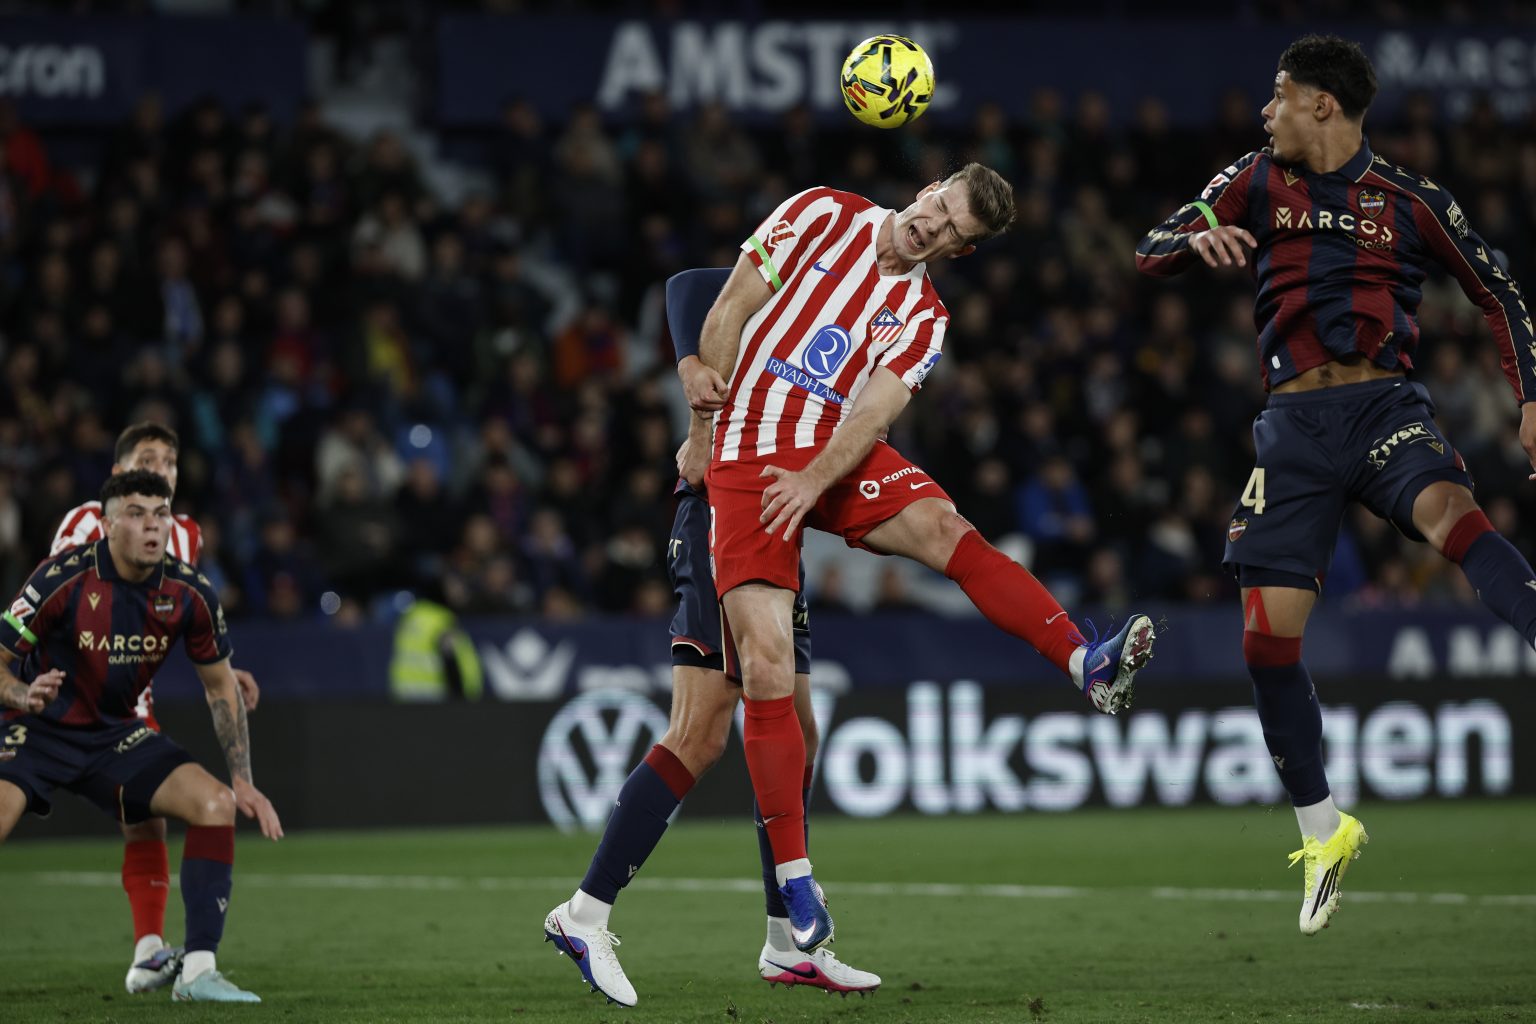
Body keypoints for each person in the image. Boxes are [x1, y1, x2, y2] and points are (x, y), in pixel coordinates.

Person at [695, 165, 1157, 955]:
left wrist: (814, 478)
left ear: (961, 250)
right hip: (746, 453)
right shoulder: (821, 212)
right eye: (940, 207)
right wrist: (701, 428)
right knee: (768, 666)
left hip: (831, 452)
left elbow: (872, 415)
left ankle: (1084, 662)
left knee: (946, 528)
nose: (933, 226)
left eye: (953, 231)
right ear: (931, 186)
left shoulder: (923, 317)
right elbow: (730, 306)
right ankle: (796, 881)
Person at [1135, 34, 1536, 935]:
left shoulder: (1412, 199)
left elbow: (1500, 291)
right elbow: (1149, 247)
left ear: (1322, 103)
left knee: (1452, 514)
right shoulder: (1253, 179)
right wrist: (1194, 239)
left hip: (1384, 405)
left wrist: (1533, 397)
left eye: (1278, 95)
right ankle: (1325, 832)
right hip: (1293, 429)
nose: (1265, 112)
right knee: (1264, 640)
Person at [543, 269, 879, 1007]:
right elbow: (688, 287)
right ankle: (584, 914)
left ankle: (785, 943)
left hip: (775, 526)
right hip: (723, 519)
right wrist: (697, 411)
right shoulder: (787, 271)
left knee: (799, 731)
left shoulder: (834, 313)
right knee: (698, 734)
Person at [0, 470, 282, 1002]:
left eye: (160, 514)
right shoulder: (62, 577)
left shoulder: (189, 591)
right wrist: (21, 694)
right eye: (136, 514)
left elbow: (220, 686)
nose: (152, 526)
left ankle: (197, 972)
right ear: (108, 525)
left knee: (215, 803)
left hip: (114, 735)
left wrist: (242, 779)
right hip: (36, 728)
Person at [51, 421, 262, 993]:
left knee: (147, 818)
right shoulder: (85, 522)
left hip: (126, 707)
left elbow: (184, 618)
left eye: (170, 461)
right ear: (119, 473)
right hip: (61, 702)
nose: (162, 468)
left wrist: (225, 668)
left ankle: (150, 951)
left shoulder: (186, 534)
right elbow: (61, 601)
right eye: (149, 459)